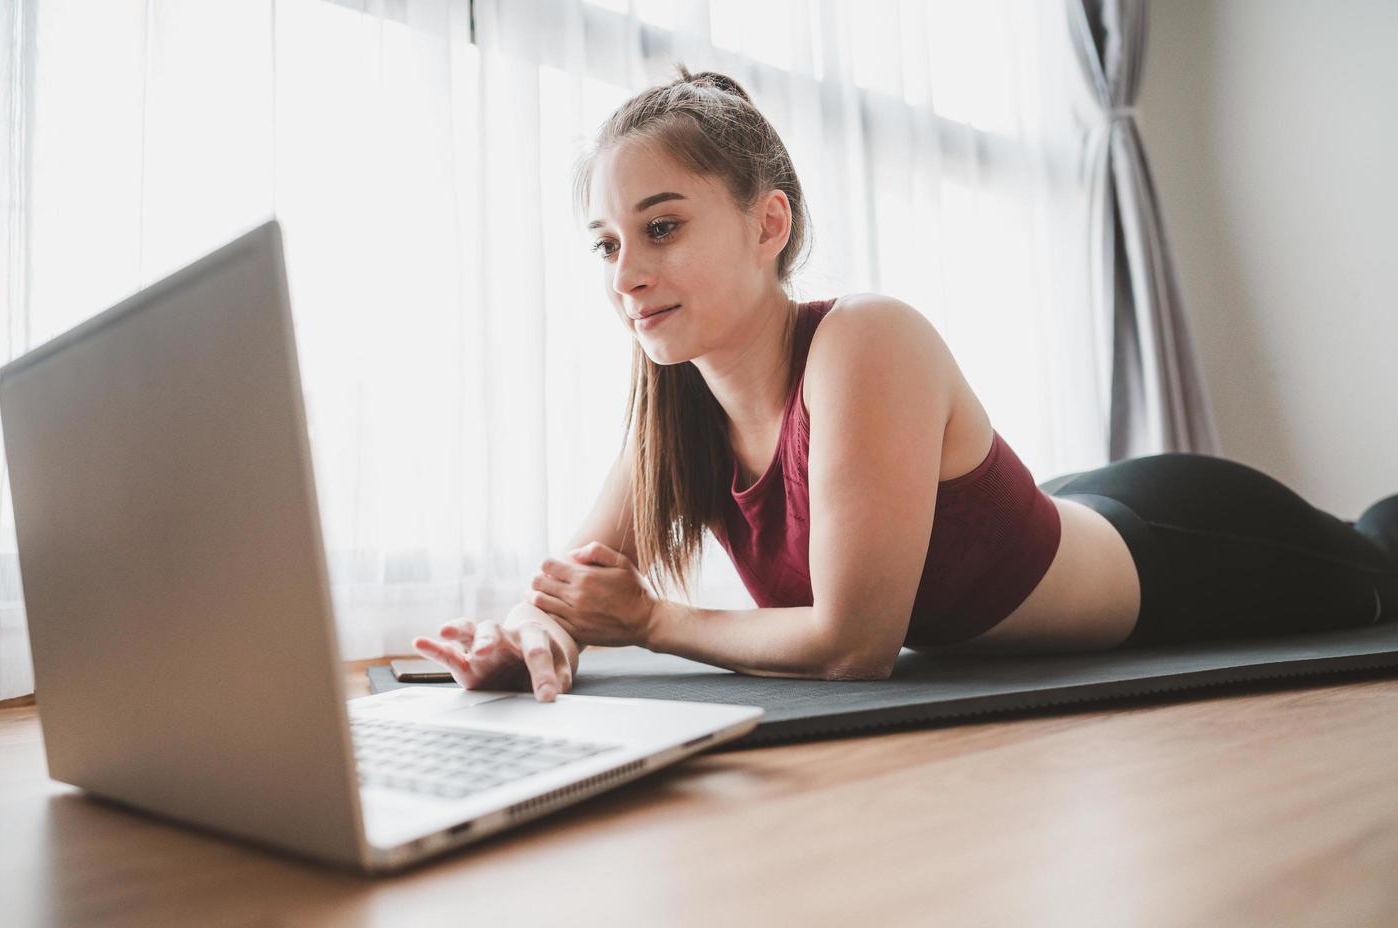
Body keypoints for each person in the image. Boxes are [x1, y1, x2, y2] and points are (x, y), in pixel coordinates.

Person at [411, 65, 1398, 702]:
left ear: (769, 226)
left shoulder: (864, 341)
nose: (625, 274)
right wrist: (531, 631)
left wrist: (649, 621)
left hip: (1181, 547)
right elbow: (566, 585)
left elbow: (855, 646)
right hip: (1076, 512)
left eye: (661, 227)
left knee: (1380, 555)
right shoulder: (675, 418)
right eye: (608, 243)